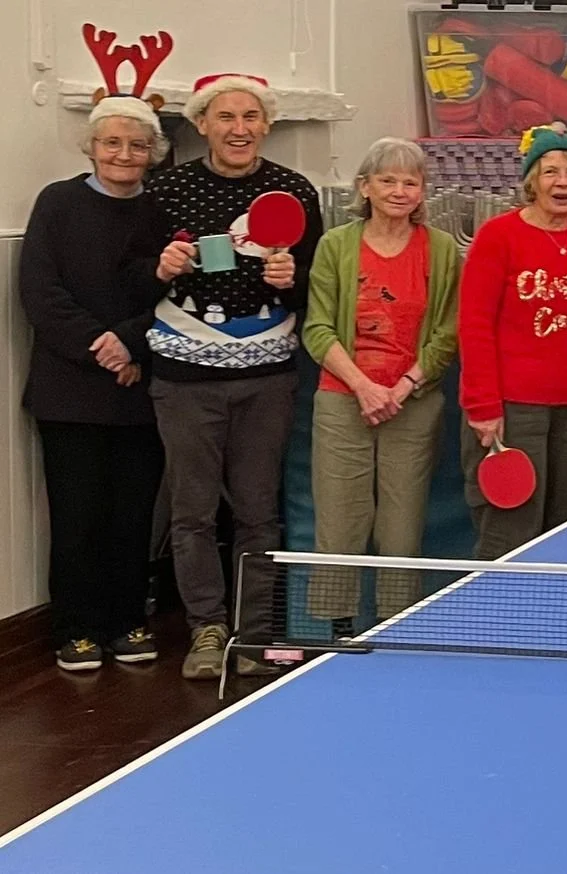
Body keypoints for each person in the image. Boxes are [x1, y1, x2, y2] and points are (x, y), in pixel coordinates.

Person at [141, 73, 324, 680]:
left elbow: (317, 284)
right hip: (183, 375)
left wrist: (288, 281)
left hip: (268, 375)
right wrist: (158, 268)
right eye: (226, 117)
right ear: (202, 126)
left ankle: (253, 629)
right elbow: (132, 275)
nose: (239, 128)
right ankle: (205, 629)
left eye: (250, 117)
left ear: (266, 125)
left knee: (257, 510)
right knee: (191, 511)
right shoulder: (165, 189)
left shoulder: (293, 189)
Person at [20, 96, 167, 671]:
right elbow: (41, 292)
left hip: (141, 389)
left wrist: (131, 342)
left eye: (136, 145)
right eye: (112, 143)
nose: (123, 154)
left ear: (151, 154)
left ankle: (128, 622)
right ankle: (75, 630)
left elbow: (169, 297)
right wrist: (103, 349)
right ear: (92, 148)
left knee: (133, 519)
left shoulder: (158, 213)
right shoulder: (56, 203)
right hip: (69, 394)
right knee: (76, 519)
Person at [301, 138, 460, 624]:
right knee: (339, 521)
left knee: (402, 528)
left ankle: (397, 624)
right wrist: (363, 387)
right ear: (364, 187)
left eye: (410, 182)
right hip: (341, 400)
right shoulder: (336, 245)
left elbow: (448, 331)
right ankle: (336, 629)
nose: (399, 190)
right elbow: (317, 327)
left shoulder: (441, 248)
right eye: (387, 180)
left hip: (412, 403)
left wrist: (404, 386)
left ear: (422, 192)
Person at [458, 126, 567, 560]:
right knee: (510, 530)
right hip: (514, 409)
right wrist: (483, 407)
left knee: (566, 532)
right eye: (550, 171)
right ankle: (491, 623)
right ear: (532, 181)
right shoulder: (498, 236)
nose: (563, 181)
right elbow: (474, 325)